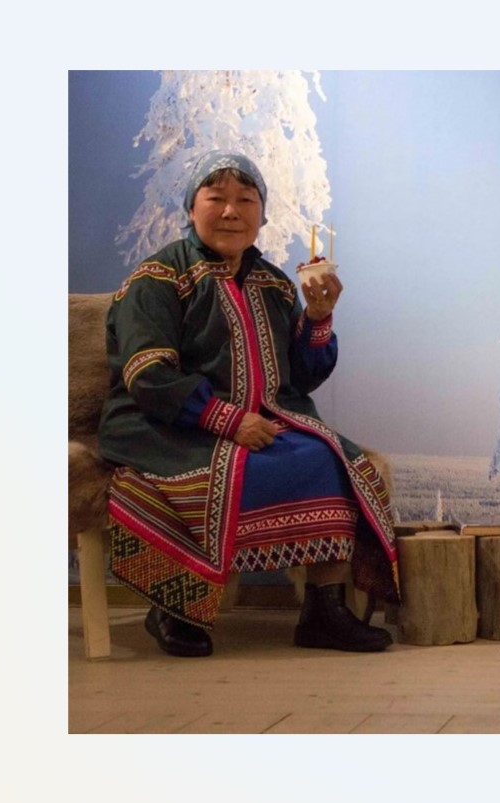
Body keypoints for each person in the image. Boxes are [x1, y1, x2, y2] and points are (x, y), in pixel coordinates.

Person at [99, 151, 398, 658]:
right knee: (221, 475)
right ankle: (174, 603)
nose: (231, 211)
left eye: (245, 200)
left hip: (264, 421)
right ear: (191, 208)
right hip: (166, 425)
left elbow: (300, 375)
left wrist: (317, 318)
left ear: (262, 214)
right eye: (216, 198)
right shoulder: (157, 279)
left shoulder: (274, 284)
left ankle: (323, 611)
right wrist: (228, 420)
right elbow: (148, 374)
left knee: (333, 460)